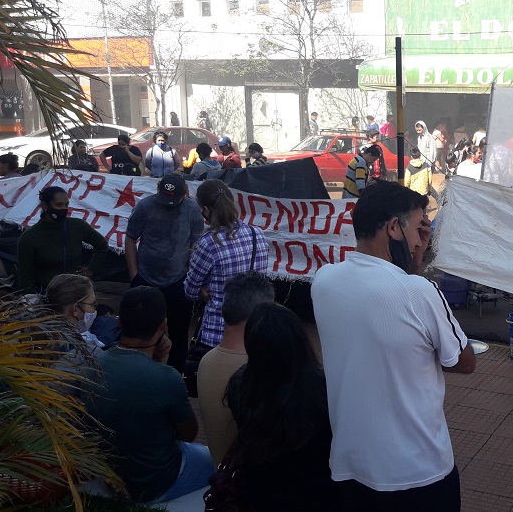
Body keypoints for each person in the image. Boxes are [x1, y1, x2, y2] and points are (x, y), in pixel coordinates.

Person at [312, 181, 475, 511]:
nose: (420, 239)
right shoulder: (419, 292)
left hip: (350, 466)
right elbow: (463, 361)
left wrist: (412, 267)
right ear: (393, 228)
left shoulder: (324, 280)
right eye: (417, 228)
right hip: (418, 473)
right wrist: (417, 274)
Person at [85, 286, 214, 503]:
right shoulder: (167, 378)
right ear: (163, 326)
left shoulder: (92, 363)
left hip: (109, 475)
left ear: (119, 322)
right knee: (221, 462)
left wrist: (158, 363)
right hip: (156, 484)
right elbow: (187, 434)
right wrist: (161, 365)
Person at [221, 302, 341, 509]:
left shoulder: (241, 386)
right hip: (315, 494)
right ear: (300, 341)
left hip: (260, 493)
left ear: (252, 346)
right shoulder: (325, 389)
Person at [125, 174, 205, 372]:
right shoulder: (144, 206)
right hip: (145, 278)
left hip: (179, 281)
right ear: (158, 189)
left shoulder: (192, 209)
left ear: (185, 193)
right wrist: (134, 275)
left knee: (179, 333)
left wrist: (192, 276)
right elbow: (130, 238)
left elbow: (196, 243)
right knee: (141, 330)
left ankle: (175, 376)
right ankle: (139, 372)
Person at [198, 272, 274, 469]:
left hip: (220, 472)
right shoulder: (259, 367)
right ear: (261, 315)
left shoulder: (206, 361)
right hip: (246, 479)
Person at [185, 179, 270, 348]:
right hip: (253, 332)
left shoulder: (208, 242)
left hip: (218, 334)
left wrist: (203, 289)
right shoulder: (257, 233)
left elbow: (190, 291)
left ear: (206, 211)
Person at [17, 186, 109, 293]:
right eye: (59, 205)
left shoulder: (77, 226)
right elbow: (26, 276)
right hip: (47, 294)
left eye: (66, 205)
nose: (64, 209)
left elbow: (102, 245)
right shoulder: (29, 237)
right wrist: (31, 298)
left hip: (76, 291)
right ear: (45, 205)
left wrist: (91, 270)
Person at [45, 273, 110, 353]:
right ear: (75, 309)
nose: (94, 310)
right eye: (92, 304)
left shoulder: (38, 332)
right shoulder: (83, 352)